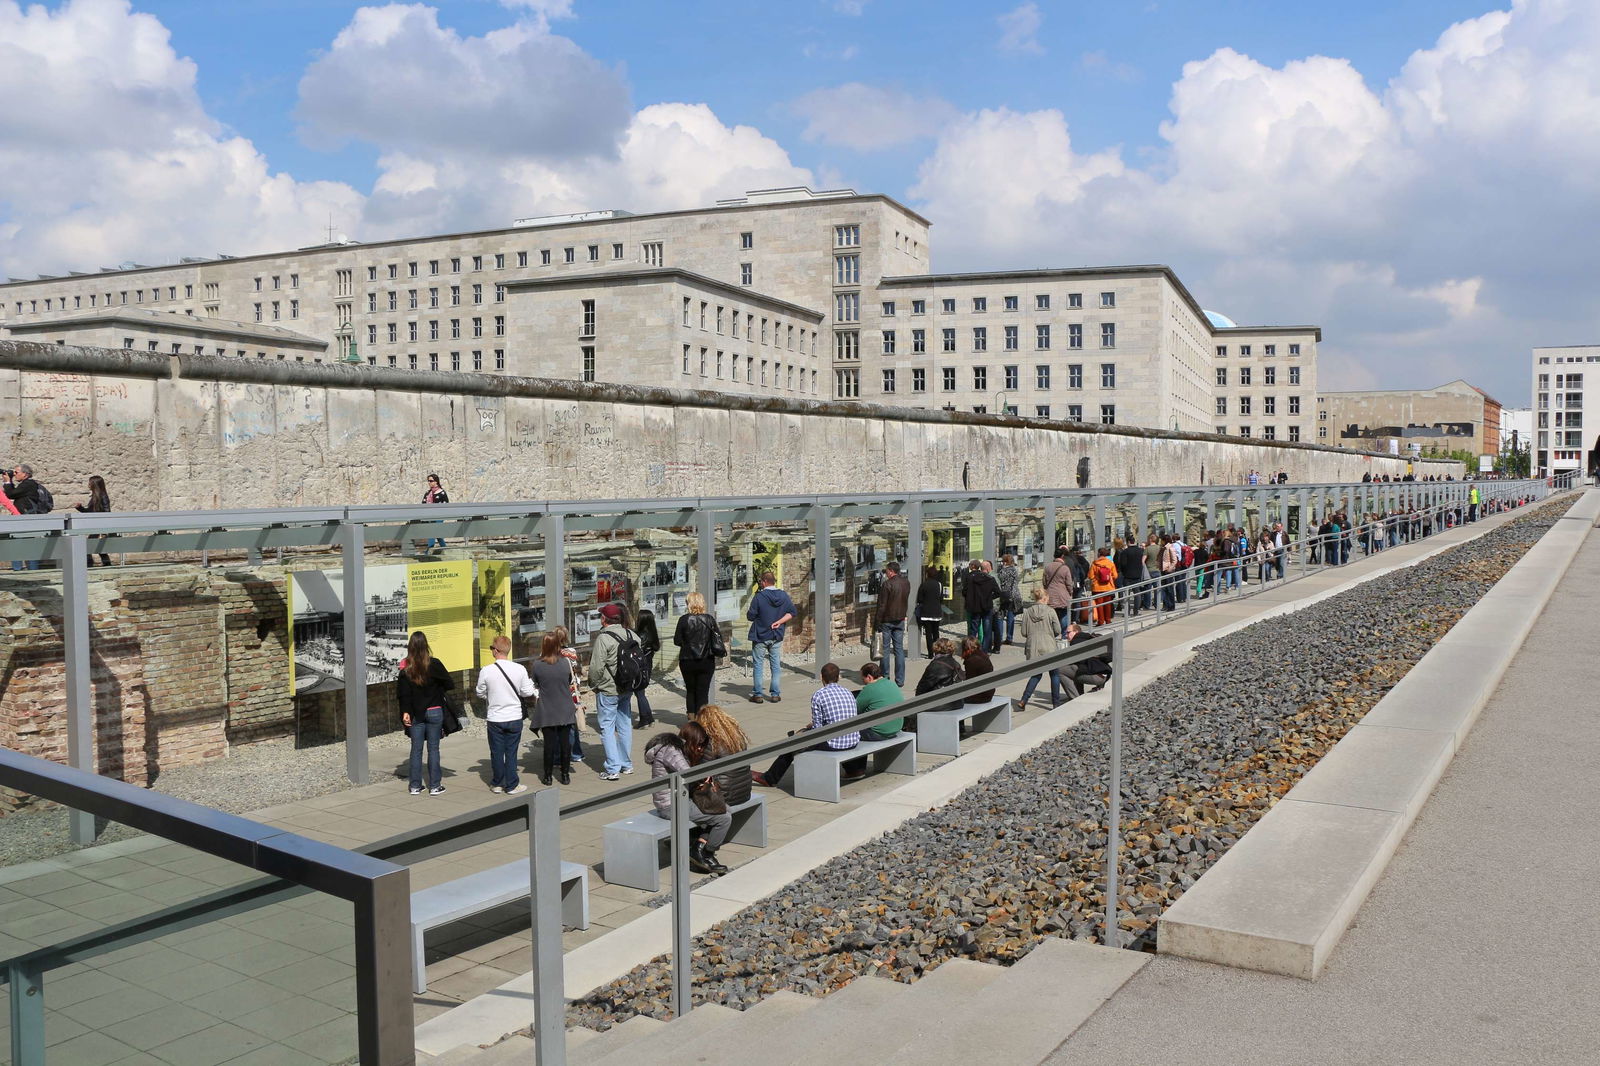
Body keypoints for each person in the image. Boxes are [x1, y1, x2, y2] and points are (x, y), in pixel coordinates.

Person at [751, 663, 860, 787]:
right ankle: (853, 769)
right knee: (838, 732)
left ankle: (770, 778)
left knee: (792, 744)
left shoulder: (819, 695)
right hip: (853, 739)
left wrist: (804, 732)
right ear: (838, 677)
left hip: (833, 744)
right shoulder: (848, 692)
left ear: (821, 677)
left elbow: (818, 730)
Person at [644, 723, 730, 875]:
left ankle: (698, 846)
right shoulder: (671, 751)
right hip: (670, 805)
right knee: (723, 818)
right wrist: (705, 777)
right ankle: (707, 854)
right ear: (691, 740)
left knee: (724, 808)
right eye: (699, 744)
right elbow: (689, 774)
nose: (700, 749)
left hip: (681, 800)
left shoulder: (676, 749)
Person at [475, 635, 535, 794]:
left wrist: (491, 695)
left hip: (495, 717)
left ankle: (497, 783)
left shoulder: (486, 671)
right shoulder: (519, 669)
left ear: (496, 650)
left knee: (496, 751)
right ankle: (512, 784)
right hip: (514, 716)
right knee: (511, 752)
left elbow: (479, 692)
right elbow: (527, 691)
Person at [397, 631, 454, 796]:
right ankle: (435, 786)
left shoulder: (406, 670)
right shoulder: (435, 664)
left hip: (415, 714)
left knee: (416, 750)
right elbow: (449, 684)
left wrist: (405, 713)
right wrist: (436, 689)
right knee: (434, 749)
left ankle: (415, 786)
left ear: (410, 648)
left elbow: (403, 695)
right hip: (435, 711)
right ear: (426, 646)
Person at [588, 602, 636, 781]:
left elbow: (596, 668)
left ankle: (612, 768)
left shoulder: (604, 638)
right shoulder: (632, 634)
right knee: (624, 725)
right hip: (627, 687)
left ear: (604, 619)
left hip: (608, 689)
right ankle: (626, 764)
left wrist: (594, 684)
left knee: (607, 727)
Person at [527, 632, 580, 786]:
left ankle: (548, 776)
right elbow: (569, 680)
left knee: (549, 745)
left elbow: (535, 683)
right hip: (564, 707)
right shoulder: (565, 663)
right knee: (565, 744)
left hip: (547, 709)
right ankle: (565, 775)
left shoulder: (537, 665)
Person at [1020, 586, 1075, 708]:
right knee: (1054, 674)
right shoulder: (1050, 611)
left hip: (1033, 646)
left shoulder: (1028, 612)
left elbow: (1024, 632)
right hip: (1049, 645)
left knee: (1036, 674)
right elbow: (1058, 630)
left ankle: (1024, 700)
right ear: (1045, 598)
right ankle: (1056, 703)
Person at [745, 571, 795, 704]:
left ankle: (758, 694)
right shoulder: (783, 595)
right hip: (776, 635)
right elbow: (792, 613)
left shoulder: (759, 597)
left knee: (758, 665)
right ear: (774, 581)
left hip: (760, 635)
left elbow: (750, 616)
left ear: (764, 582)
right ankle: (775, 693)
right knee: (775, 665)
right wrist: (779, 621)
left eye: (761, 581)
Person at [673, 592, 723, 716]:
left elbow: (677, 641)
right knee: (703, 691)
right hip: (706, 660)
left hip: (687, 660)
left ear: (688, 604)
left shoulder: (684, 620)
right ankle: (702, 720)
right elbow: (716, 639)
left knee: (690, 690)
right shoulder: (709, 619)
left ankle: (691, 718)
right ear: (702, 603)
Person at [696, 704, 752, 806]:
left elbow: (702, 773)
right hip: (744, 792)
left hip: (725, 797)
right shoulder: (736, 736)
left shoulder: (711, 742)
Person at [553, 626, 586, 766]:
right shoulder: (572, 652)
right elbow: (576, 671)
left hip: (559, 692)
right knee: (572, 723)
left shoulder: (552, 655)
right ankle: (576, 753)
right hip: (573, 691)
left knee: (558, 725)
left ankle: (560, 755)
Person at [873, 560, 910, 686]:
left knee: (885, 649)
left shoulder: (887, 584)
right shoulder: (906, 583)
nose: (886, 573)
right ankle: (900, 679)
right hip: (900, 619)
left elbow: (882, 605)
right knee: (899, 649)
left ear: (891, 571)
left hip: (887, 620)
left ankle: (885, 676)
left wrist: (877, 621)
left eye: (887, 571)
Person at [4, 464, 45, 571]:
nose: (15, 474)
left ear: (25, 474)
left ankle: (24, 569)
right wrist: (10, 481)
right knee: (21, 543)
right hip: (24, 517)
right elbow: (14, 493)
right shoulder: (27, 484)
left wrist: (8, 481)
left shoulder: (28, 484)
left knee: (19, 543)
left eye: (16, 472)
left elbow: (10, 494)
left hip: (25, 518)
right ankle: (28, 568)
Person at [624, 607, 660, 728]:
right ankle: (649, 718)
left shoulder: (639, 635)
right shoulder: (653, 634)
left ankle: (645, 719)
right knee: (641, 693)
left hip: (638, 667)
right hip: (647, 667)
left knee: (638, 693)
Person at [855, 661, 905, 740]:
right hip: (896, 728)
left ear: (869, 677)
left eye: (863, 679)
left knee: (846, 731)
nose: (863, 682)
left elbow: (855, 709)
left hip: (878, 732)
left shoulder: (869, 688)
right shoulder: (892, 683)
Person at [73, 475, 113, 567]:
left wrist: (104, 530)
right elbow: (90, 513)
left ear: (95, 484)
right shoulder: (95, 497)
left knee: (90, 545)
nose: (88, 484)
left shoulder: (103, 496)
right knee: (96, 546)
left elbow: (107, 512)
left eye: (90, 482)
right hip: (96, 526)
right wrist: (80, 508)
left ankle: (90, 564)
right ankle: (106, 564)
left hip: (100, 526)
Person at [1063, 622, 1111, 692]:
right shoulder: (1088, 637)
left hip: (1097, 677)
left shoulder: (1075, 642)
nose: (1066, 635)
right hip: (1106, 674)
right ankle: (1080, 692)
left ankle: (1075, 697)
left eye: (1068, 632)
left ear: (1076, 632)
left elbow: (1078, 663)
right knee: (1078, 667)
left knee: (1062, 670)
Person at [962, 560, 999, 651]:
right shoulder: (990, 579)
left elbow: (965, 592)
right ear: (987, 569)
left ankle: (972, 649)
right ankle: (984, 650)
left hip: (975, 607)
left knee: (973, 630)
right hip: (987, 607)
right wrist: (990, 598)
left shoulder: (971, 579)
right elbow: (998, 592)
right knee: (987, 630)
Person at [914, 565, 945, 658]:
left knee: (928, 633)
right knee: (936, 633)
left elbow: (919, 599)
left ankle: (930, 654)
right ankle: (937, 652)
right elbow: (941, 599)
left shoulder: (924, 584)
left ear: (928, 574)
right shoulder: (939, 585)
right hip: (936, 612)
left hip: (926, 612)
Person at [1114, 537, 1146, 617]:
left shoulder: (1125, 552)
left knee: (1127, 594)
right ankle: (1136, 611)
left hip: (1127, 576)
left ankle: (1127, 612)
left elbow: (1123, 564)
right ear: (1134, 541)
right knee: (1137, 593)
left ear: (1128, 542)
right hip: (1137, 575)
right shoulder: (1140, 551)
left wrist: (1124, 572)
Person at [994, 554, 1022, 646]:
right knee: (1011, 617)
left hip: (1004, 595)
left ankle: (999, 637)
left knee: (1000, 617)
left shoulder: (1003, 570)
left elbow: (1000, 580)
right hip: (1014, 595)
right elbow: (1016, 581)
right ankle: (1009, 637)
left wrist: (1000, 569)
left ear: (1005, 562)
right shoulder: (1014, 570)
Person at [1043, 546, 1075, 625]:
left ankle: (1054, 631)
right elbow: (1069, 583)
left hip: (1050, 595)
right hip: (1063, 595)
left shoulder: (1047, 567)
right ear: (1062, 556)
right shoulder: (1065, 568)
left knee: (1053, 614)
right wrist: (1070, 592)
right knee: (1064, 613)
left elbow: (1044, 582)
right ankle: (1064, 634)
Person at [959, 636, 994, 704]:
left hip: (980, 696)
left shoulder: (972, 660)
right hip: (989, 692)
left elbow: (970, 681)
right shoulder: (983, 655)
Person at [1088, 547, 1118, 625]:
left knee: (1099, 606)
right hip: (1108, 587)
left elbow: (1090, 576)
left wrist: (1096, 578)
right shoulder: (1110, 563)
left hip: (1097, 588)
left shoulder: (1095, 563)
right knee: (1108, 605)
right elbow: (1115, 575)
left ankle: (1100, 621)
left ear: (1099, 554)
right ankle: (1108, 620)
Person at [421, 473, 448, 551]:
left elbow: (446, 505)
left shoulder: (441, 492)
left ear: (436, 481)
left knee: (432, 532)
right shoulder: (428, 493)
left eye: (431, 481)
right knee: (437, 533)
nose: (429, 482)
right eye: (428, 481)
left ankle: (429, 550)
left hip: (439, 516)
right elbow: (423, 504)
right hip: (429, 516)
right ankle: (445, 549)